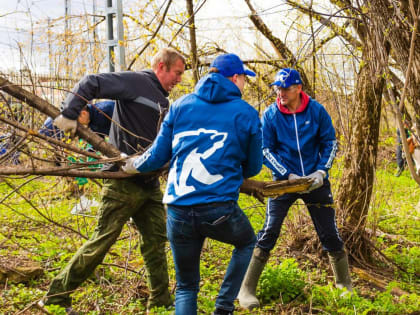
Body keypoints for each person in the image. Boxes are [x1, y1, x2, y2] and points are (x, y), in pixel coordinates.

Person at [39, 48, 185, 314]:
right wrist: (70, 113)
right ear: (162, 66)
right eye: (177, 73)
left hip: (149, 184)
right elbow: (91, 82)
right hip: (122, 182)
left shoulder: (163, 100)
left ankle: (161, 302)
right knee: (102, 240)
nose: (179, 80)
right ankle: (56, 297)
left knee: (156, 241)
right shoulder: (135, 82)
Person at [122, 53, 262, 315]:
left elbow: (157, 156)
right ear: (235, 77)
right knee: (246, 243)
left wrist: (133, 164)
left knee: (186, 286)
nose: (244, 84)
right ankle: (223, 307)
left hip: (178, 209)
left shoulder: (180, 105)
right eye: (244, 78)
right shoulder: (246, 113)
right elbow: (254, 167)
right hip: (219, 208)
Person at [238, 68, 352, 310]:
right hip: (284, 183)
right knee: (269, 231)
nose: (281, 93)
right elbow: (265, 149)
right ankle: (246, 288)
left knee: (329, 232)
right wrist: (287, 175)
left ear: (299, 88)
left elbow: (330, 141)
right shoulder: (270, 115)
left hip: (315, 181)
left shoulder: (317, 110)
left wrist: (321, 171)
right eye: (277, 88)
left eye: (286, 88)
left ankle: (344, 284)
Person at [39, 100, 115, 140]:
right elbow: (99, 136)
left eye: (77, 120)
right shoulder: (92, 118)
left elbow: (118, 133)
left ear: (84, 113)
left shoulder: (102, 112)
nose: (77, 124)